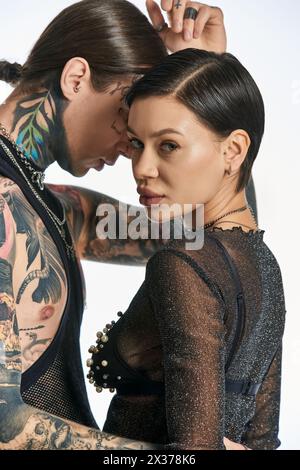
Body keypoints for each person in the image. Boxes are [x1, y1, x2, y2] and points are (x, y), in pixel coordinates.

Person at [0, 0, 245, 451]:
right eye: (125, 119)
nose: (131, 152)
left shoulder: (55, 206)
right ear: (77, 79)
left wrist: (205, 76)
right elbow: (2, 425)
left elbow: (212, 238)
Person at [86, 48, 286, 450]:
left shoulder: (182, 264)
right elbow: (262, 439)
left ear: (233, 151)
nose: (141, 167)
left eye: (169, 146)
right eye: (137, 144)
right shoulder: (265, 266)